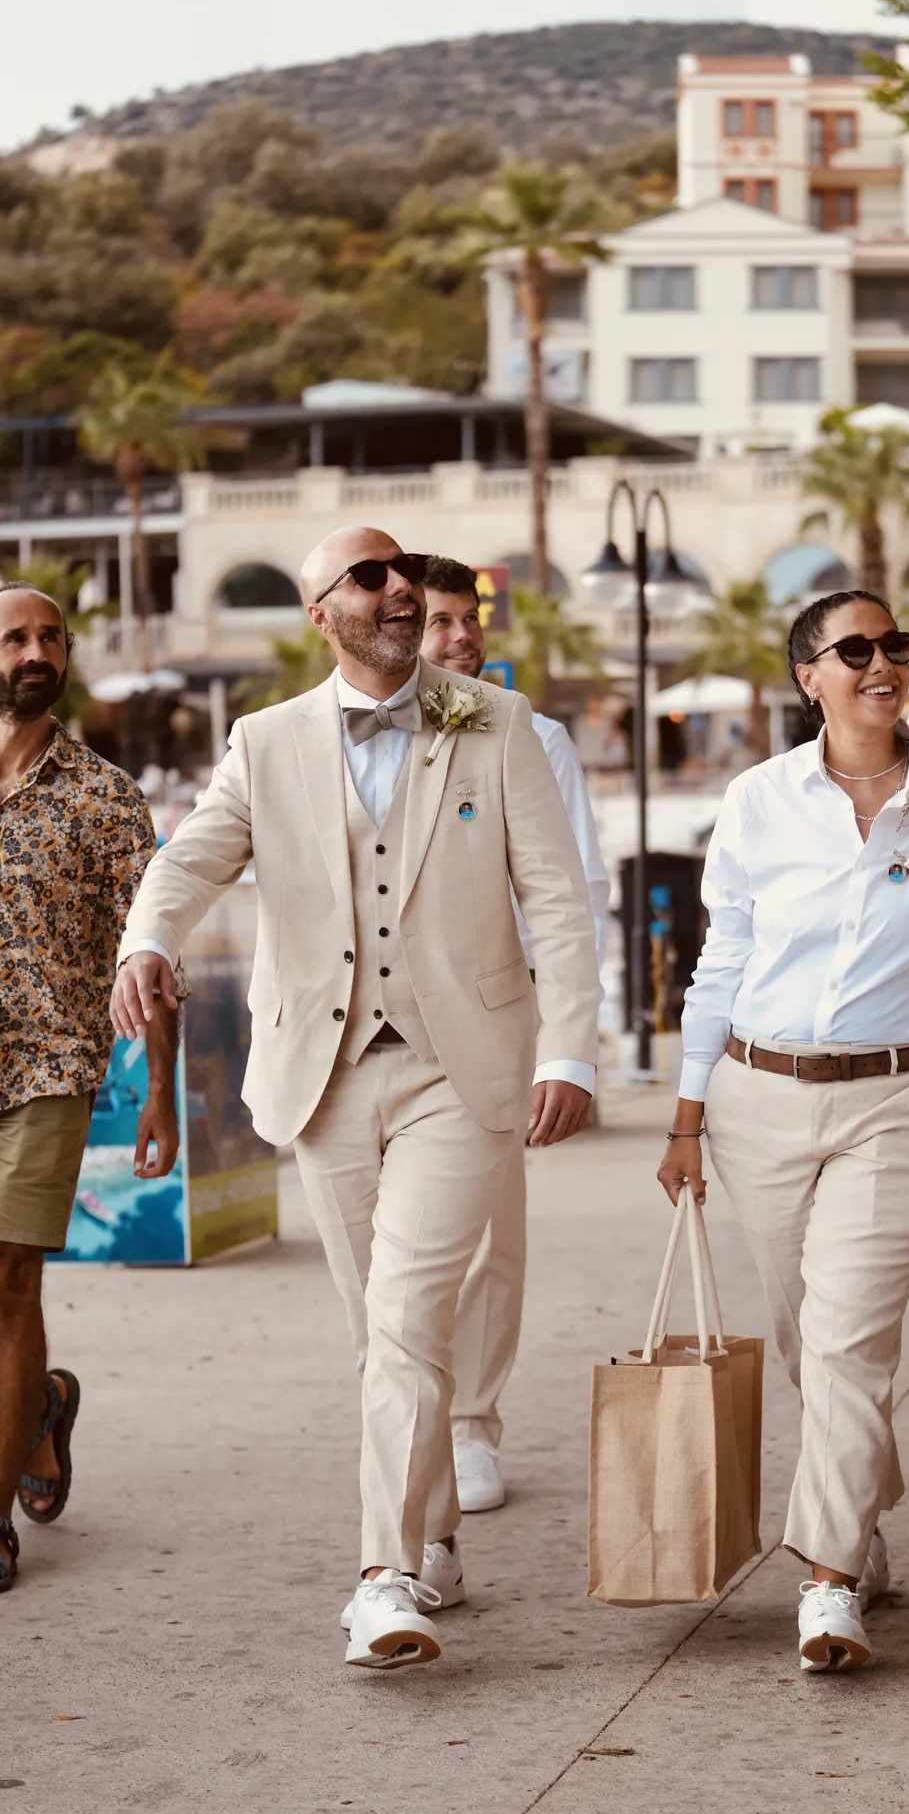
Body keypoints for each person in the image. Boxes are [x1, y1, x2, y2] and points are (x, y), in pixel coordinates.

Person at [112, 530, 600, 1671]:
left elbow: (559, 899)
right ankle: (432, 1537)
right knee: (377, 1328)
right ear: (320, 613)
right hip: (319, 1071)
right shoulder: (265, 740)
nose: (397, 592)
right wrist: (146, 939)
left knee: (408, 1309)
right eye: (368, 579)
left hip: (460, 1064)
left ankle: (383, 1577)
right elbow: (190, 861)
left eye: (403, 576)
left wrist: (568, 1050)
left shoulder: (497, 724)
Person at [657, 588, 909, 1672]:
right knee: (804, 1344)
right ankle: (858, 1513)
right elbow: (720, 960)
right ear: (808, 677)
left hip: (900, 1100)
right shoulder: (753, 801)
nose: (880, 663)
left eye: (893, 645)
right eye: (854, 649)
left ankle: (828, 1580)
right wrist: (687, 1111)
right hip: (756, 1101)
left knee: (848, 1340)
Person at [419, 558, 609, 1512]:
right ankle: (412, 1415)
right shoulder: (325, 733)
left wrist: (565, 1038)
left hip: (498, 1016)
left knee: (490, 1233)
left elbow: (575, 891)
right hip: (381, 1024)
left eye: (469, 618)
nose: (462, 638)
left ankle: (472, 1424)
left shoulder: (534, 735)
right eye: (440, 622)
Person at [0, 583, 179, 1595]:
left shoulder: (105, 794)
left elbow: (150, 954)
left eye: (51, 637)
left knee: (10, 1277)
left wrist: (156, 1094)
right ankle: (39, 1411)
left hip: (50, 1063)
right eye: (17, 637)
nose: (37, 651)